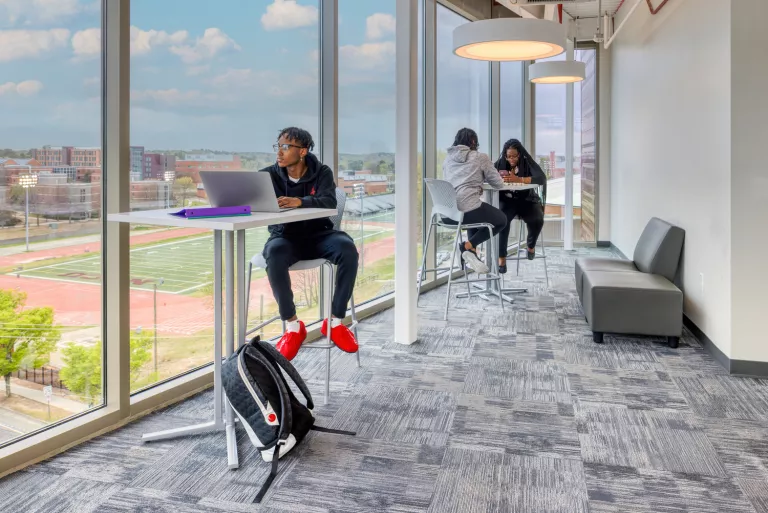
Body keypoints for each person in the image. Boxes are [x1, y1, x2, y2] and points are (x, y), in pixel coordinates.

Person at [259, 127, 359, 361]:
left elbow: (328, 201)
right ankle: (293, 327)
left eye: (286, 147)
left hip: (319, 235)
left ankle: (334, 323)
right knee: (273, 253)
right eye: (278, 146)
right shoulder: (267, 176)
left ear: (302, 151)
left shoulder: (321, 172)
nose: (280, 152)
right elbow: (253, 203)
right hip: (285, 238)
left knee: (348, 249)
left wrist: (299, 202)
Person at [442, 128, 512, 274]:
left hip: (447, 214)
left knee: (476, 209)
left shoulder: (447, 159)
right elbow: (498, 184)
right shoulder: (480, 157)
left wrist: (476, 183)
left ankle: (471, 252)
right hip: (467, 211)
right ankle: (468, 246)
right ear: (473, 141)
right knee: (501, 220)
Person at [493, 138, 547, 273]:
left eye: (514, 156)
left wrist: (520, 180)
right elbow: (487, 176)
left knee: (537, 219)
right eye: (508, 156)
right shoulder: (500, 164)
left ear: (520, 154)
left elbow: (541, 178)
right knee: (502, 221)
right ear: (505, 155)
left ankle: (530, 246)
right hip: (507, 200)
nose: (511, 159)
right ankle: (502, 258)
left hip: (527, 200)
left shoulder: (527, 162)